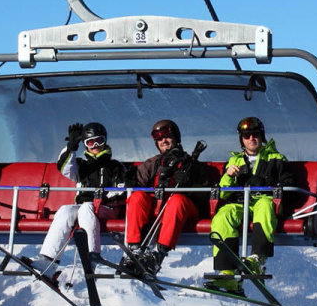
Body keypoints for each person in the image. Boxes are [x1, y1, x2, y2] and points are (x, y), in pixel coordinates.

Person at [208, 116, 297, 289]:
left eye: (255, 134)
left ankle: (257, 258)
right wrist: (228, 176)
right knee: (223, 215)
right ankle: (226, 272)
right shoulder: (235, 161)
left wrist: (265, 185)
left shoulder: (276, 158)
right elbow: (223, 194)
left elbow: (288, 184)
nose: (251, 139)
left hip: (263, 201)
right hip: (241, 203)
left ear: (261, 136)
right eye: (246, 135)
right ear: (241, 139)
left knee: (264, 205)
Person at [35, 122, 127, 288]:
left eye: (99, 141)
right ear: (85, 145)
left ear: (105, 141)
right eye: (91, 143)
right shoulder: (82, 166)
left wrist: (105, 196)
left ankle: (91, 258)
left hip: (108, 209)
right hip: (86, 209)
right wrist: (71, 146)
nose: (96, 146)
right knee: (65, 210)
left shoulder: (115, 166)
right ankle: (47, 262)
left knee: (86, 208)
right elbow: (63, 167)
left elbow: (123, 190)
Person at [123, 118, 210, 275]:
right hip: (157, 208)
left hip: (184, 209)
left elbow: (204, 193)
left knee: (176, 200)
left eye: (167, 136)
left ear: (176, 137)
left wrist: (188, 183)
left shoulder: (191, 164)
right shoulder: (153, 164)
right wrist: (130, 180)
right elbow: (138, 184)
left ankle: (158, 254)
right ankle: (134, 249)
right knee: (137, 197)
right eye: (159, 138)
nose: (163, 140)